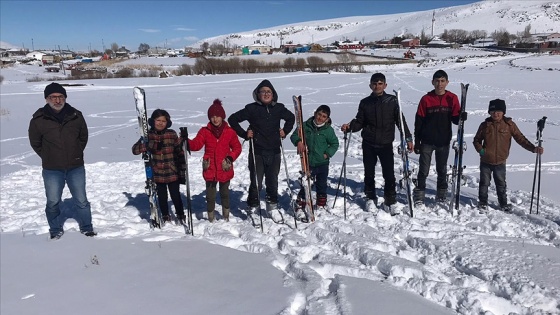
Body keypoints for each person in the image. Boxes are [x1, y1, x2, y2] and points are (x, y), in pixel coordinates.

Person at [28, 82, 96, 239]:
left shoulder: (76, 115)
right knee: (53, 201)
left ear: (65, 97)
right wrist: (48, 156)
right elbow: (35, 143)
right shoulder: (38, 119)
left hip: (75, 166)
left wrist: (76, 152)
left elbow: (83, 137)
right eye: (53, 97)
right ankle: (55, 229)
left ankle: (87, 227)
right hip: (52, 169)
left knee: (82, 200)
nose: (57, 100)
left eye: (60, 97)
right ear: (47, 99)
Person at [341, 73, 413, 211]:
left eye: (380, 83)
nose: (377, 86)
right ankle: (370, 197)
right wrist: (350, 127)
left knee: (389, 174)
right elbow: (360, 121)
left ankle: (390, 200)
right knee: (369, 172)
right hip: (369, 143)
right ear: (370, 85)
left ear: (385, 85)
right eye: (374, 83)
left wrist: (408, 138)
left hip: (386, 143)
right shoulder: (365, 102)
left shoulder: (392, 101)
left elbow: (400, 122)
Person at [228, 79, 295, 218]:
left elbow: (291, 118)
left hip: (275, 150)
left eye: (268, 91)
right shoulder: (251, 108)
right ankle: (253, 206)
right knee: (256, 182)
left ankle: (272, 206)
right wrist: (244, 134)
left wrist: (285, 131)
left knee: (272, 180)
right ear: (257, 94)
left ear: (273, 94)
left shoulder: (279, 108)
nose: (266, 94)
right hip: (257, 151)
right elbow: (232, 119)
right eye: (263, 91)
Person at [473, 99, 544, 212]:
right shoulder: (485, 125)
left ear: (503, 112)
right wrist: (481, 151)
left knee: (501, 184)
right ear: (489, 113)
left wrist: (533, 149)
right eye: (493, 112)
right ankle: (482, 203)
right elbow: (476, 140)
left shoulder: (509, 125)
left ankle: (503, 204)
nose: (495, 114)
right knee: (484, 183)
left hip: (501, 161)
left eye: (498, 111)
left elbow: (520, 139)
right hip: (486, 161)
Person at [413, 70, 467, 205]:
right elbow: (418, 121)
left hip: (443, 141)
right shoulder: (426, 99)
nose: (440, 84)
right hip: (427, 140)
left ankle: (441, 194)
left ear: (447, 83)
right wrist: (417, 141)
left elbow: (455, 119)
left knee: (442, 169)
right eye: (437, 81)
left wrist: (461, 116)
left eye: (442, 81)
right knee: (423, 170)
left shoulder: (452, 98)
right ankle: (419, 194)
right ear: (433, 82)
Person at [183, 99, 242, 222]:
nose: (215, 119)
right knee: (210, 196)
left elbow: (237, 147)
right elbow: (196, 145)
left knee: (225, 193)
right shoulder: (205, 131)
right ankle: (211, 217)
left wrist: (230, 157)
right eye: (213, 117)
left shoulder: (229, 132)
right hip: (210, 167)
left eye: (218, 116)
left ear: (222, 117)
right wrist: (186, 141)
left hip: (224, 166)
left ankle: (226, 215)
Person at [132, 109, 186, 224]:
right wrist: (150, 145)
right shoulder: (148, 136)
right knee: (162, 197)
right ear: (153, 121)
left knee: (176, 196)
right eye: (158, 120)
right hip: (158, 174)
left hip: (172, 172)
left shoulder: (171, 134)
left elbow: (179, 151)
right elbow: (135, 150)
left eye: (163, 121)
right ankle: (165, 215)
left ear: (167, 123)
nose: (160, 123)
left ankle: (181, 215)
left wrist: (183, 141)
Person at [290, 105, 339, 219]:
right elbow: (294, 136)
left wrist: (327, 153)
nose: (320, 118)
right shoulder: (305, 126)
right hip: (308, 162)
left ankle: (321, 204)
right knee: (306, 184)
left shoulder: (328, 130)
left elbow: (335, 144)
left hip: (322, 163)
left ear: (327, 119)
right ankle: (300, 204)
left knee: (322, 185)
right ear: (315, 113)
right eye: (319, 114)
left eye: (324, 117)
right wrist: (298, 142)